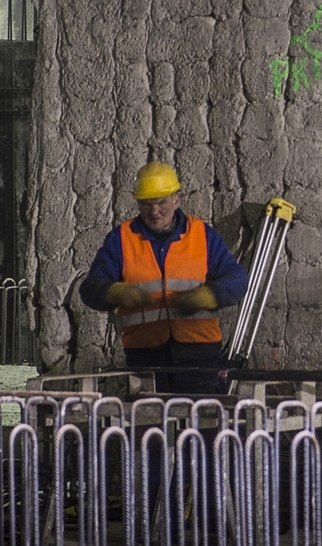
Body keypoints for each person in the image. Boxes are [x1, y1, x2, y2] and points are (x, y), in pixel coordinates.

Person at [81, 160, 249, 394]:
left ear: (176, 200)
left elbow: (238, 279)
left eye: (161, 203)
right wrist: (116, 292)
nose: (154, 211)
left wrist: (210, 295)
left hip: (199, 356)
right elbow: (90, 288)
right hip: (145, 358)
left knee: (201, 426)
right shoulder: (121, 239)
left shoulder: (201, 235)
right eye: (146, 204)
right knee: (152, 427)